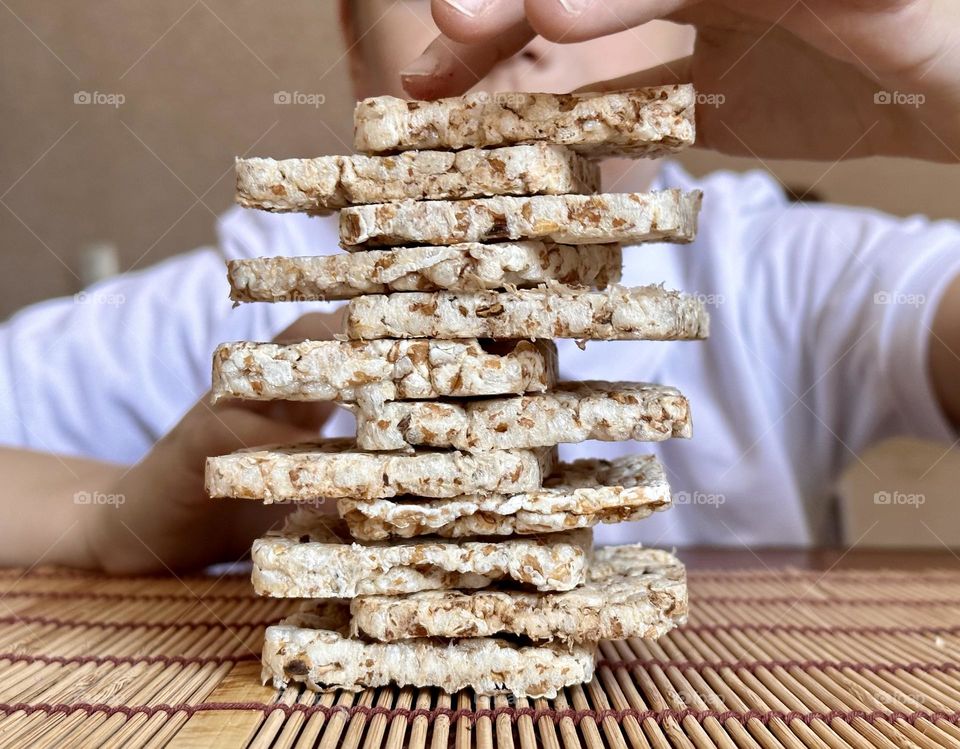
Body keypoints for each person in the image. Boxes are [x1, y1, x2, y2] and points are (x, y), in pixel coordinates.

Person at [3, 0, 959, 572]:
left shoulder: (778, 276)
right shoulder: (232, 313)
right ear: (354, 44)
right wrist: (116, 518)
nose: (522, 28)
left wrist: (939, 93)